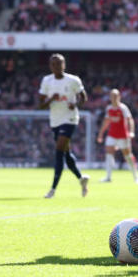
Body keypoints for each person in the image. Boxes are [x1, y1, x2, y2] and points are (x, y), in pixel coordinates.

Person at [39, 53, 90, 199]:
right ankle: (81, 179)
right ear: (50, 66)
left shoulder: (73, 80)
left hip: (70, 119)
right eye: (54, 64)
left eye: (59, 63)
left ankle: (53, 189)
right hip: (55, 120)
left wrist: (75, 104)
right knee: (66, 154)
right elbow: (41, 105)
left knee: (59, 150)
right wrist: (50, 100)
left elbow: (84, 98)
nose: (57, 67)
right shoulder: (47, 81)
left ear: (64, 65)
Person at [96, 89, 138, 184]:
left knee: (128, 156)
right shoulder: (109, 108)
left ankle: (136, 177)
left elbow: (130, 120)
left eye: (116, 96)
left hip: (123, 136)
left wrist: (131, 132)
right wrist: (101, 134)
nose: (114, 98)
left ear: (119, 97)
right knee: (109, 154)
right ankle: (108, 177)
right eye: (112, 96)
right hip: (112, 135)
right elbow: (106, 122)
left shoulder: (123, 108)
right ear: (110, 97)